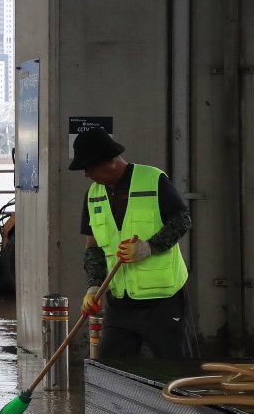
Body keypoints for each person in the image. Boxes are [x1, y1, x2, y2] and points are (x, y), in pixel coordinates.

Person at [71, 127, 198, 359]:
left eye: (89, 167)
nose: (86, 174)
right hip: (120, 303)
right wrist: (93, 287)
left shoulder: (153, 180)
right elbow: (93, 248)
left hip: (163, 301)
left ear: (109, 162)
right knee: (112, 374)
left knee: (178, 374)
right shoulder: (93, 195)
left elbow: (182, 219)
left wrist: (149, 246)